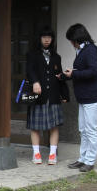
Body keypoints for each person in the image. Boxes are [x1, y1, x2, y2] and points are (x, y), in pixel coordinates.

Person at [63, 23, 97, 173]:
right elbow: (82, 71)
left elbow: (93, 72)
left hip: (93, 96)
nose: (70, 43)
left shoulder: (90, 50)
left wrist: (73, 74)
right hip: (84, 97)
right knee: (83, 130)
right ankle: (83, 159)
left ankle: (90, 161)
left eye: (71, 40)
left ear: (76, 38)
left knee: (91, 130)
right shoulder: (82, 51)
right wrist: (67, 75)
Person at [25, 27, 69, 165]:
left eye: (49, 37)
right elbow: (30, 70)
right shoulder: (32, 54)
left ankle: (52, 155)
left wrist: (64, 94)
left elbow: (59, 76)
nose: (46, 39)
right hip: (38, 95)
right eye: (44, 37)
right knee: (35, 126)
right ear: (39, 38)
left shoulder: (56, 57)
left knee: (54, 126)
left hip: (54, 95)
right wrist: (35, 82)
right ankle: (36, 154)